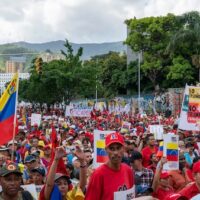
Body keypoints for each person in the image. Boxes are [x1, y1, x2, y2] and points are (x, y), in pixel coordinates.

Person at [85, 132, 134, 200]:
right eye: (112, 149)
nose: (116, 153)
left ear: (123, 149)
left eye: (118, 148)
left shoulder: (128, 170)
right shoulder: (98, 174)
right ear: (106, 150)